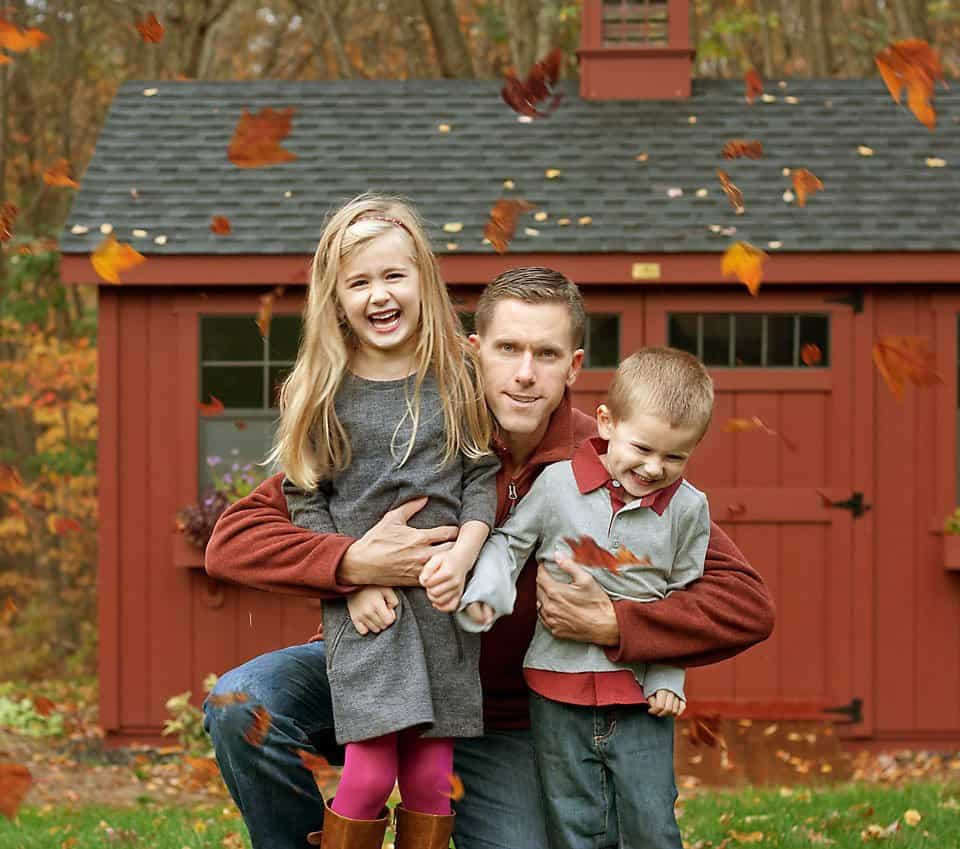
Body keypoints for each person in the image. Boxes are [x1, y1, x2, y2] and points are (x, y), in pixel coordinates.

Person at [203, 266, 776, 849]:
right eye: (508, 349)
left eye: (546, 354)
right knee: (240, 704)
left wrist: (617, 624)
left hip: (503, 718)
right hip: (374, 665)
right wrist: (353, 564)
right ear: (475, 353)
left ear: (574, 366)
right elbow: (235, 538)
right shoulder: (416, 423)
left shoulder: (617, 464)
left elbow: (746, 603)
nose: (525, 374)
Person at [266, 192, 498, 849]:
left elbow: (480, 475)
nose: (379, 295)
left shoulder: (455, 375)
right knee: (367, 775)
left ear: (423, 279)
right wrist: (353, 580)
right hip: (367, 614)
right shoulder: (320, 388)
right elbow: (305, 498)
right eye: (359, 282)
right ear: (335, 297)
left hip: (442, 611)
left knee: (431, 778)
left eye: (394, 275)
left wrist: (466, 552)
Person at [459, 347, 715, 849]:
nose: (654, 467)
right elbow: (509, 543)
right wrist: (487, 593)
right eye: (642, 448)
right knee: (572, 820)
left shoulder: (689, 509)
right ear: (606, 422)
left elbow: (686, 596)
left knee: (650, 820)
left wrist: (668, 673)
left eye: (675, 456)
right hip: (555, 686)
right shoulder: (558, 486)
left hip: (640, 693)